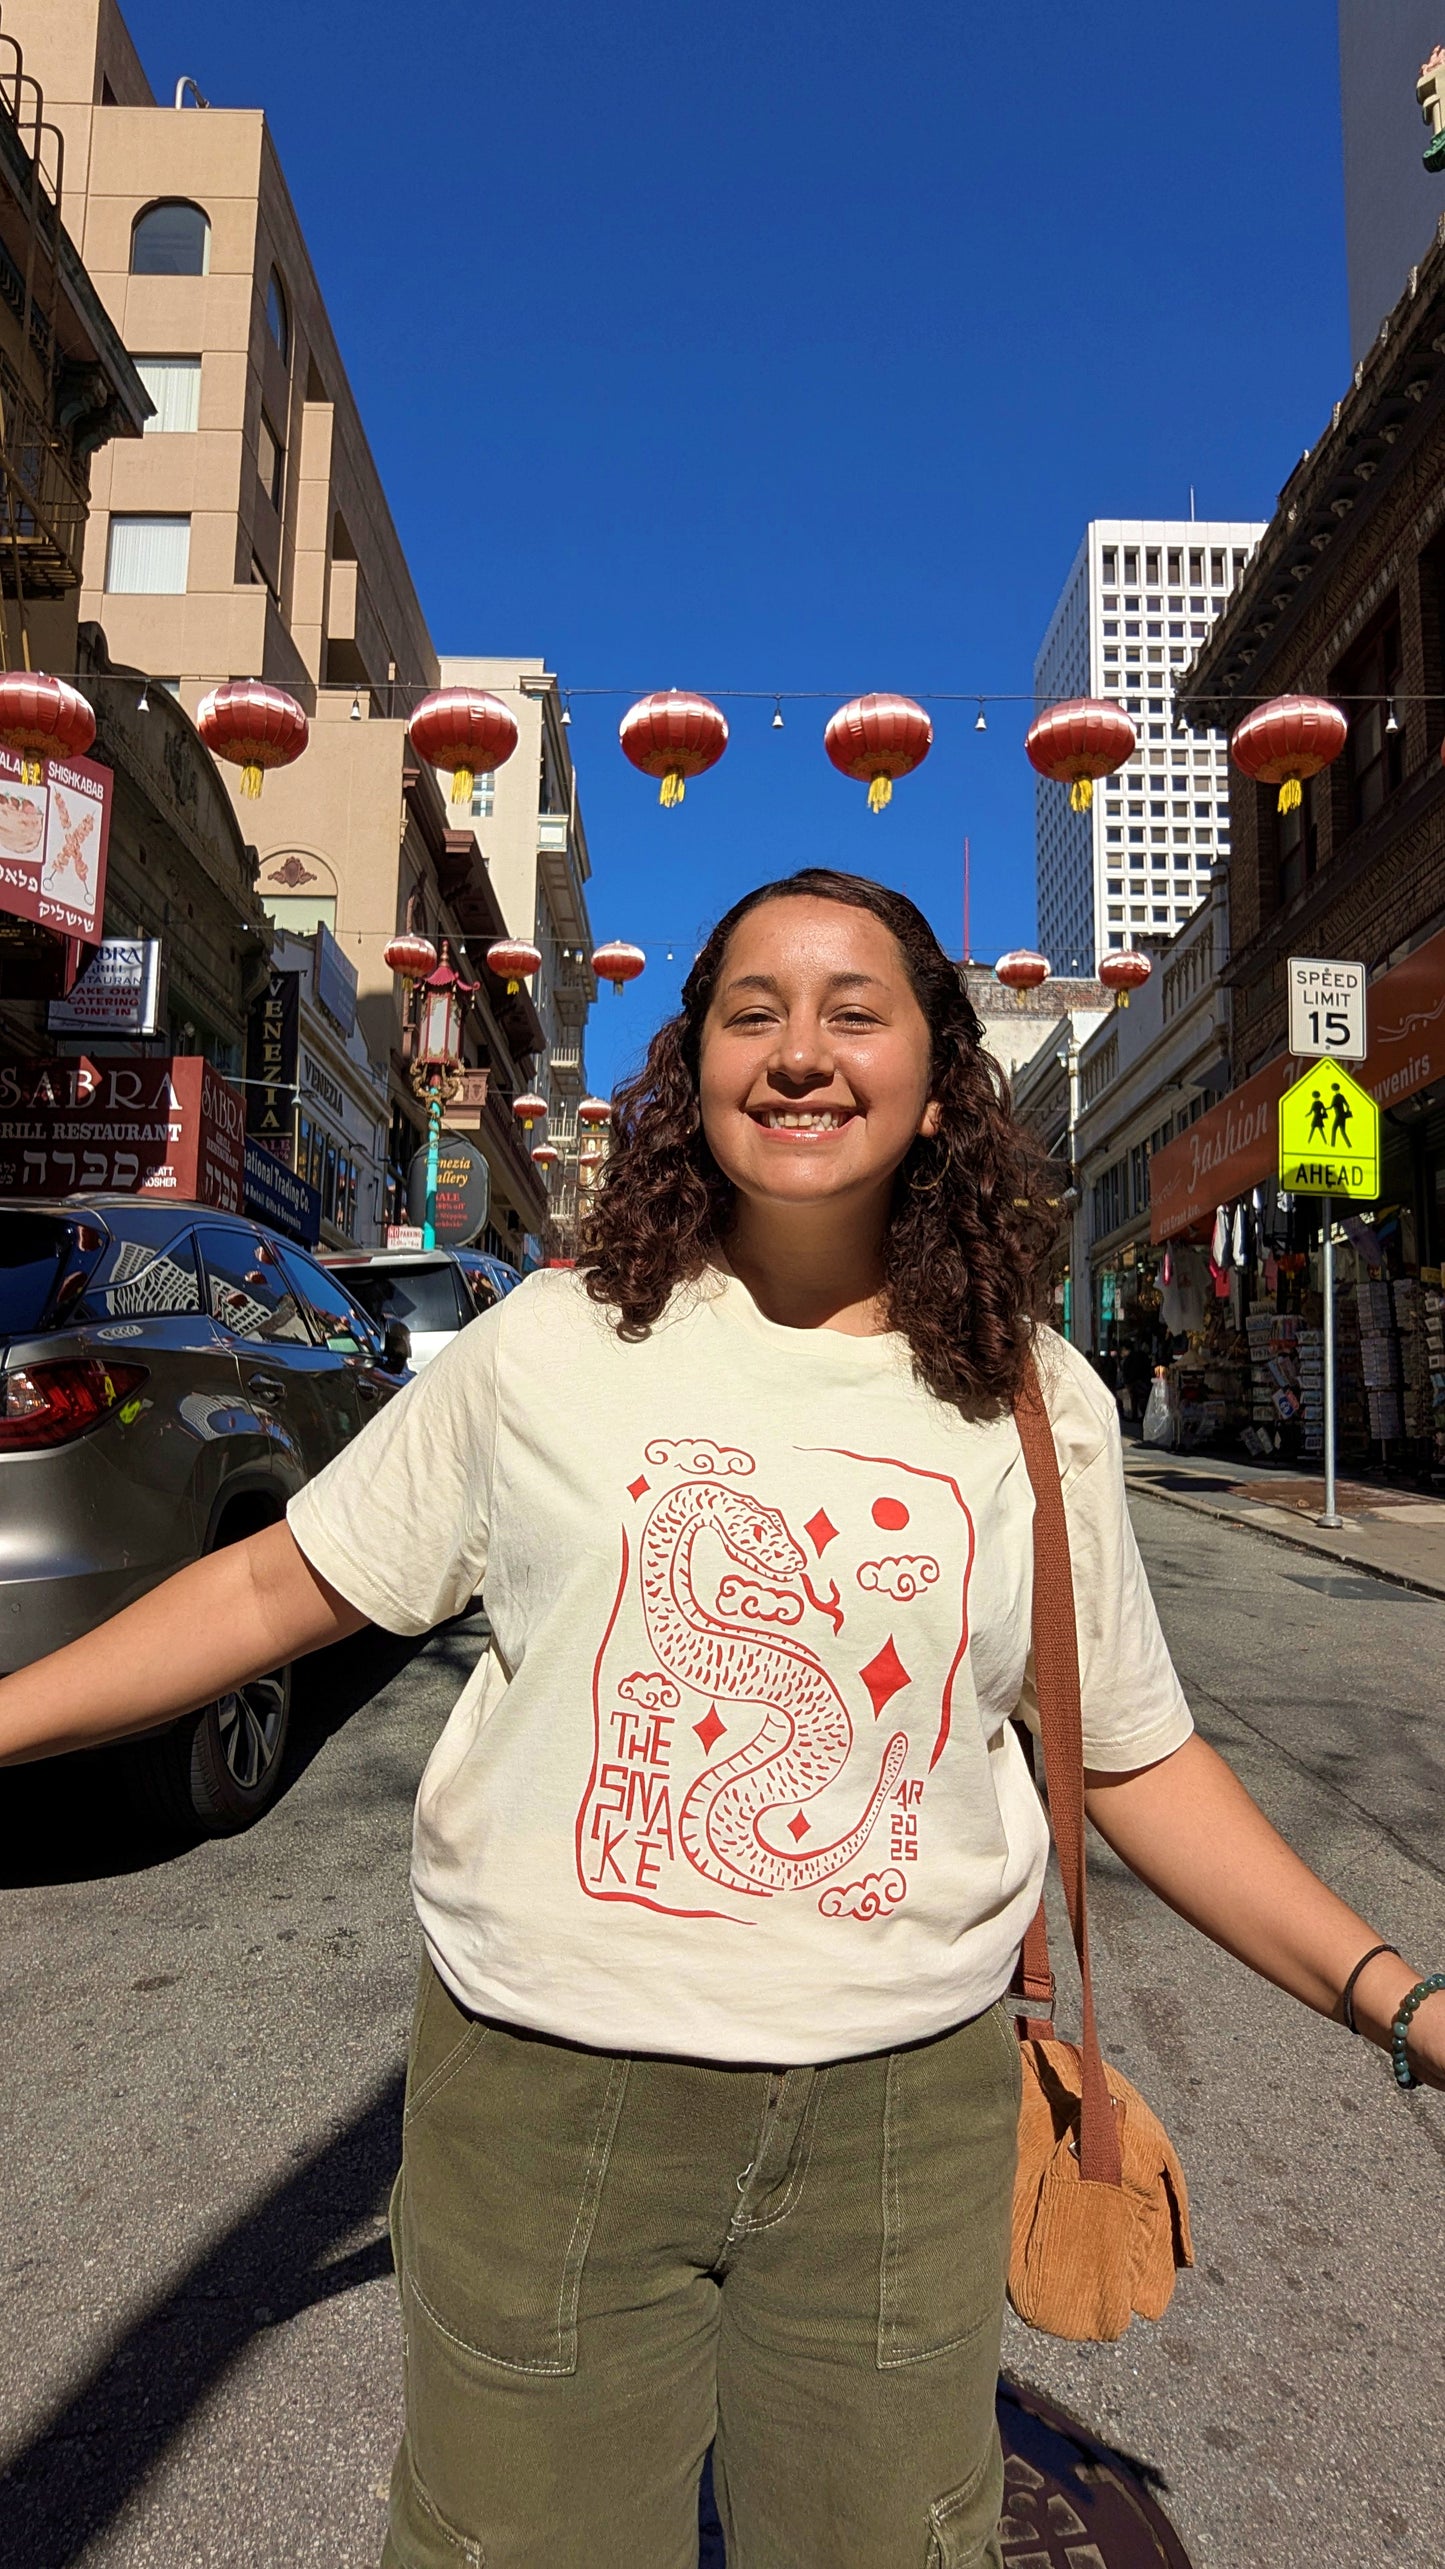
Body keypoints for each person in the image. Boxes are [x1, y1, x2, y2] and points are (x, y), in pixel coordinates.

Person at [2, 868, 1439, 2569]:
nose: (798, 1052)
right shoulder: (551, 1339)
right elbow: (272, 1589)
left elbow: (1126, 1751)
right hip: (547, 2096)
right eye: (750, 1011)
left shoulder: (1033, 1391)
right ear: (690, 1067)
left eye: (853, 1011)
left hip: (899, 2120)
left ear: (934, 1073)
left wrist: (1401, 2001)